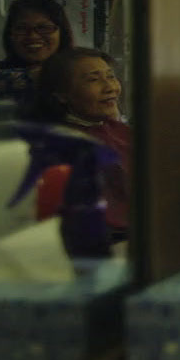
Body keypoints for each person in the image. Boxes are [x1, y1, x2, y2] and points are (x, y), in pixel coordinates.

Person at [34, 47, 131, 238]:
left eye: (111, 76)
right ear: (61, 94)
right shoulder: (60, 145)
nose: (110, 87)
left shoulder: (121, 132)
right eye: (93, 80)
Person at [0, 0, 75, 133]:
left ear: (62, 33)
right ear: (10, 34)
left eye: (44, 28)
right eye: (21, 28)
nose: (33, 36)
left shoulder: (75, 73)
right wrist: (40, 75)